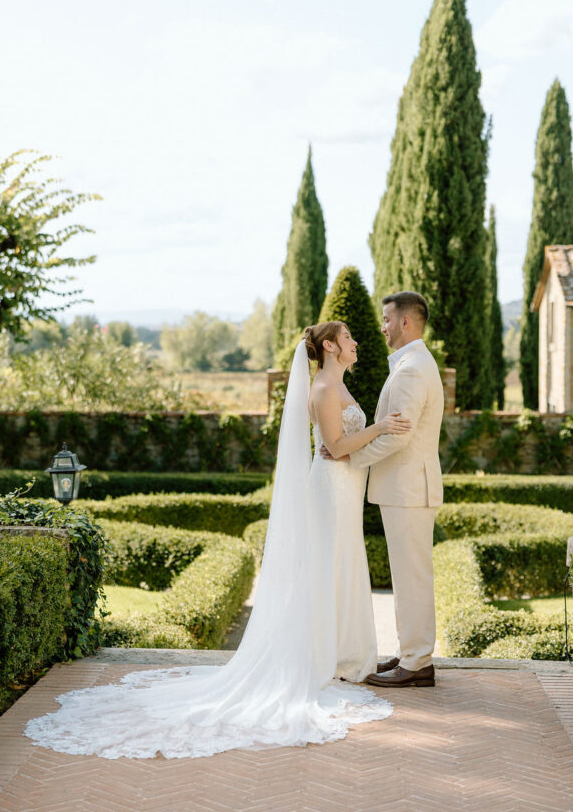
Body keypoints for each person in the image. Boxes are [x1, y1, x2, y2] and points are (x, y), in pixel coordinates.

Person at [23, 323, 408, 761]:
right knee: (324, 569)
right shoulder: (322, 387)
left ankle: (343, 655)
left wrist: (366, 435)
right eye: (349, 337)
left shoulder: (335, 383)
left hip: (345, 491)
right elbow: (336, 447)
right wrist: (378, 429)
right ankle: (321, 657)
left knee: (340, 565)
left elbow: (337, 446)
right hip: (331, 492)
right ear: (329, 346)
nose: (356, 343)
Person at [322, 292, 444, 688]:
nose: (382, 326)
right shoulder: (412, 364)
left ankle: (417, 661)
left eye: (387, 319)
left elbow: (398, 437)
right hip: (405, 488)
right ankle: (412, 653)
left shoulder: (411, 369)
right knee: (408, 576)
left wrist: (348, 459)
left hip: (409, 488)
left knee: (412, 577)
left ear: (406, 322)